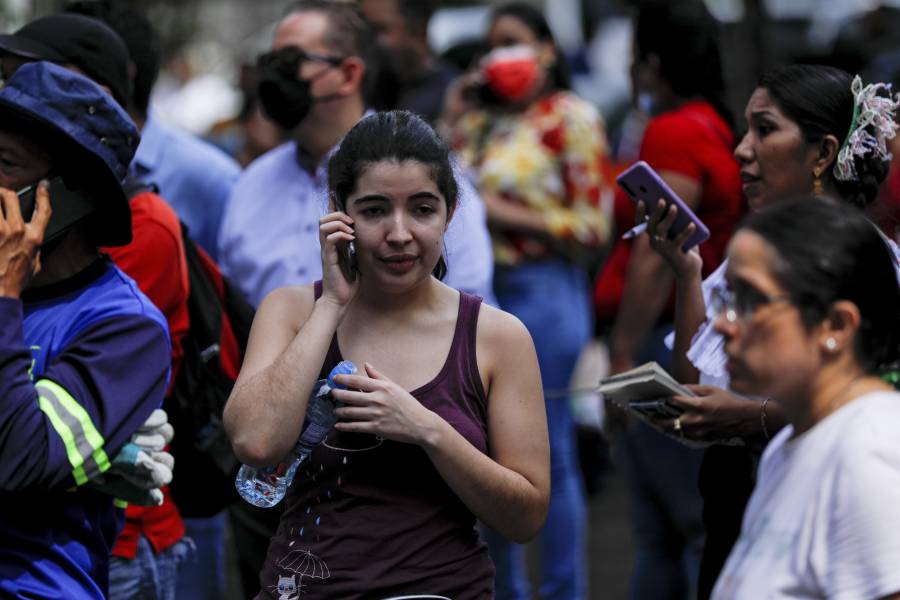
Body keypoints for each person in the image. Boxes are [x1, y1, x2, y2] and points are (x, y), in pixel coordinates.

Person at [223, 110, 550, 598]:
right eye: (375, 210)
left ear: (451, 211)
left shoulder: (496, 337)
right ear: (340, 212)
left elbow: (526, 516)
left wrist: (426, 429)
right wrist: (331, 305)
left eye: (422, 209)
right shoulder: (292, 310)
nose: (399, 233)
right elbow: (254, 442)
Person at [639, 64, 900, 597]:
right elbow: (692, 378)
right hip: (737, 484)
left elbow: (882, 396)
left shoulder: (867, 263)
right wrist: (687, 273)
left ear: (823, 153)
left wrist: (754, 417)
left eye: (765, 129)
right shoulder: (755, 250)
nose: (741, 150)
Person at [0, 13, 197, 599]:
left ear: (65, 196)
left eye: (6, 165)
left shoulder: (124, 327)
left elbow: (19, 462)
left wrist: (4, 297)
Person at [443, 3, 610, 598]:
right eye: (490, 46)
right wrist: (453, 115)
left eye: (511, 42)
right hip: (480, 296)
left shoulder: (571, 118)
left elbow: (593, 226)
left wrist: (504, 213)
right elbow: (444, 192)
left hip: (544, 291)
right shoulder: (478, 125)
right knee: (485, 451)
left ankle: (562, 589)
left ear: (545, 48)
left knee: (550, 450)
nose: (497, 56)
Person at [599, 3, 744, 595]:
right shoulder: (708, 121)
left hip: (667, 340)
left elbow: (658, 255)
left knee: (673, 528)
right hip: (683, 332)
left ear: (651, 63)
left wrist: (624, 352)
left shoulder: (675, 130)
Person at [218, 0, 495, 310]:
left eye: (292, 61)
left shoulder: (425, 171)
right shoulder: (252, 183)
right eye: (271, 61)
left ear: (348, 75)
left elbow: (471, 315)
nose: (274, 77)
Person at [708, 197, 900, 599]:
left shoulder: (870, 455)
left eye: (751, 300)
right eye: (726, 299)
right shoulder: (788, 445)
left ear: (835, 325)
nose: (722, 324)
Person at [64, 0, 242, 263]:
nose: (48, 82)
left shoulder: (211, 176)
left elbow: (231, 289)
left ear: (117, 73)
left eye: (63, 70)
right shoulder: (56, 162)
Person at [360, 0, 457, 123]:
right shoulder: (371, 89)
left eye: (380, 29)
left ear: (418, 29)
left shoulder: (450, 97)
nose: (369, 40)